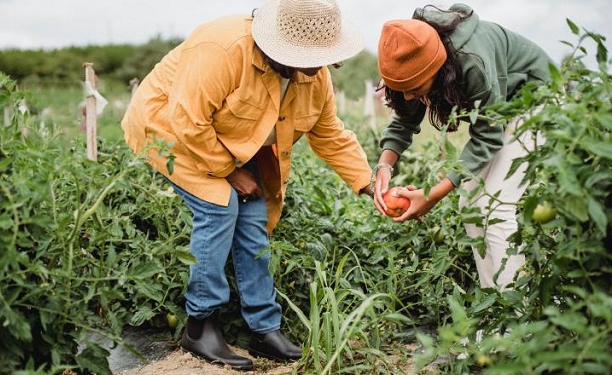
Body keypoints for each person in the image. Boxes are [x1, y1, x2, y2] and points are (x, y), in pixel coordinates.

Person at [121, 0, 373, 369]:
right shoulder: (223, 49)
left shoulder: (313, 75)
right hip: (169, 130)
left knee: (254, 215)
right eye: (308, 57)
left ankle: (264, 329)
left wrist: (368, 184)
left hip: (232, 139)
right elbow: (188, 121)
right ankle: (200, 325)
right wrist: (230, 171)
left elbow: (329, 133)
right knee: (219, 205)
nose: (316, 67)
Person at [371, 3, 553, 290]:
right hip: (505, 110)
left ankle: (515, 319)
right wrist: (384, 165)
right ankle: (493, 306)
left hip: (538, 100)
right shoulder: (410, 52)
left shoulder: (471, 62)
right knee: (469, 203)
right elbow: (404, 121)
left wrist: (431, 195)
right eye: (401, 87)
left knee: (496, 204)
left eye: (415, 87)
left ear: (439, 70)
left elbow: (487, 137)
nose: (408, 95)